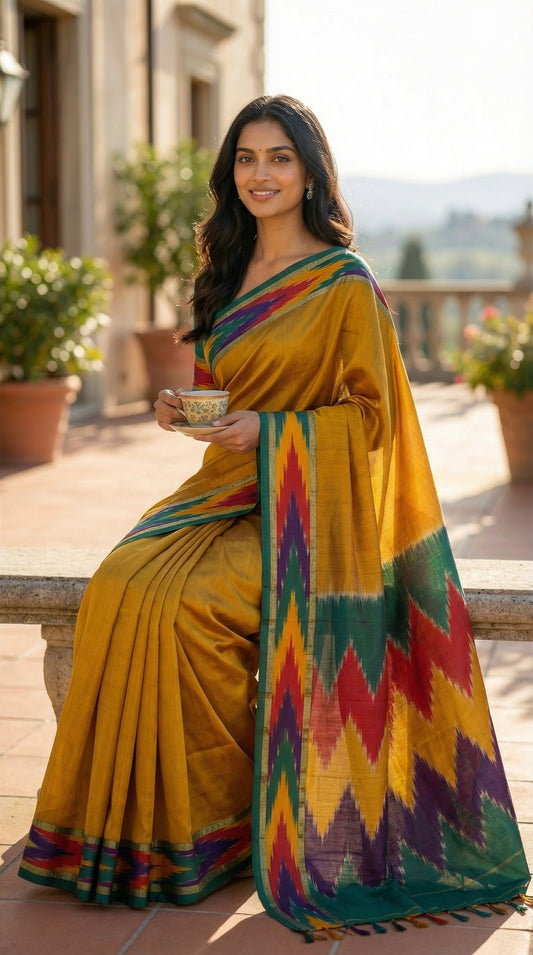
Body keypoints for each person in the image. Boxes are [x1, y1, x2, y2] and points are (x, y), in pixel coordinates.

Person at [19, 95, 530, 940]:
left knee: (189, 607)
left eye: (279, 159)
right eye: (247, 159)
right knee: (119, 584)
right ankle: (147, 825)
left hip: (311, 516)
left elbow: (373, 423)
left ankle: (212, 831)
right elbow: (229, 391)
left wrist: (273, 432)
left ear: (308, 172)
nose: (260, 175)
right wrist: (183, 408)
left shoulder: (342, 282)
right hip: (222, 491)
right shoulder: (225, 268)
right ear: (231, 173)